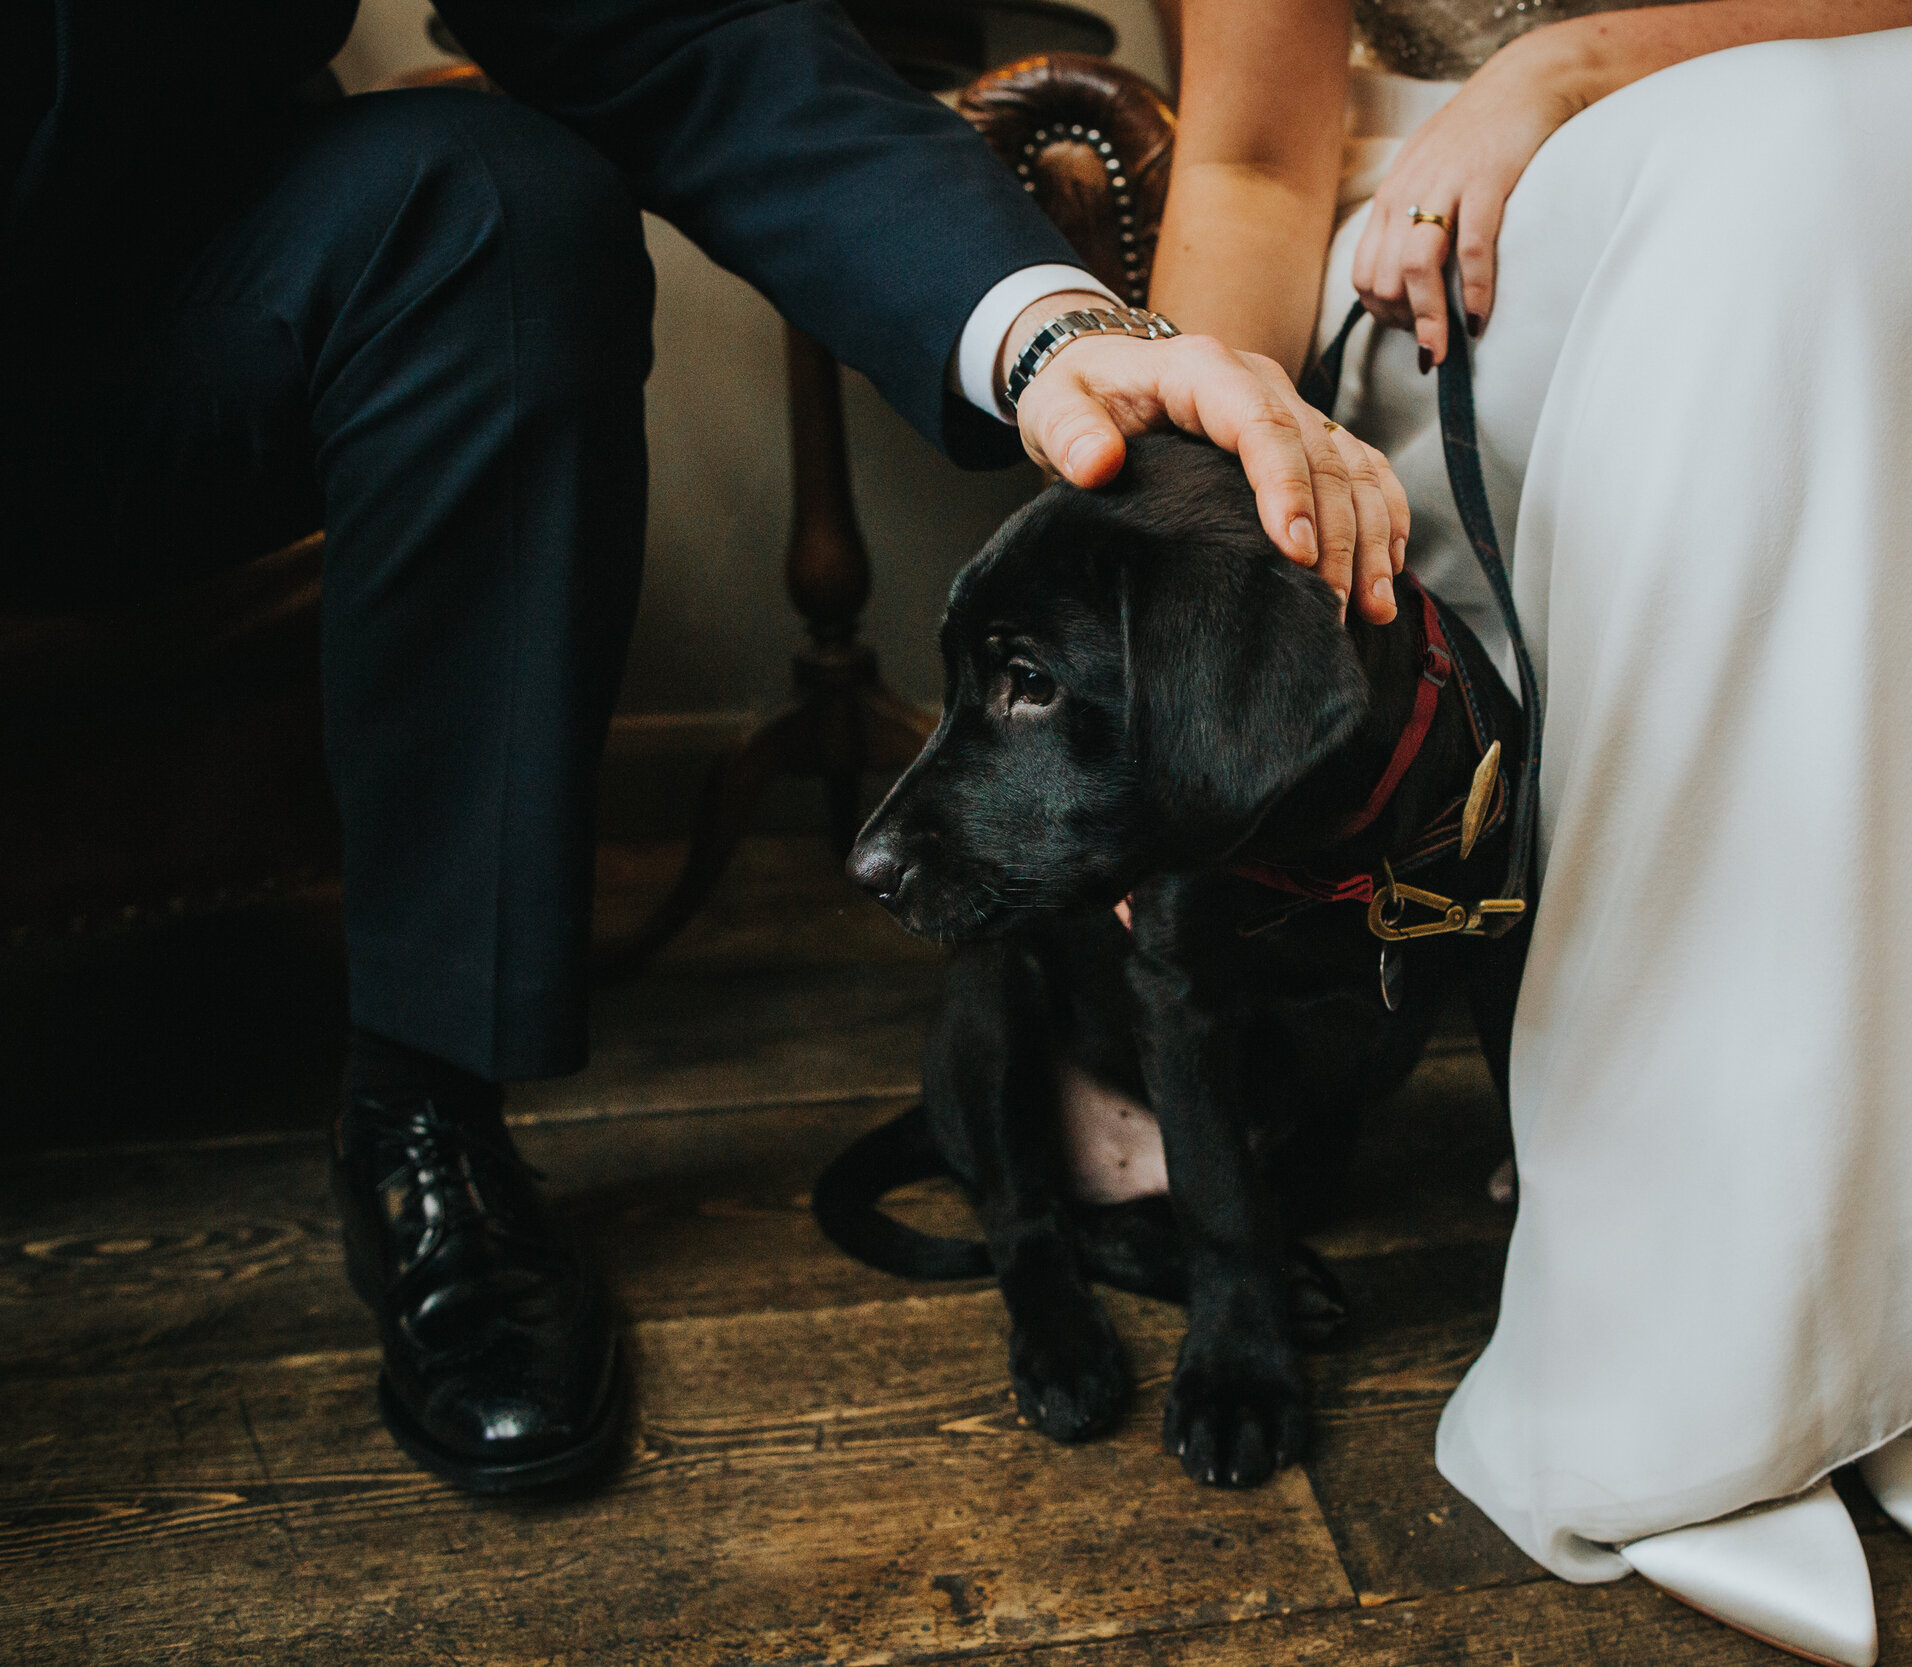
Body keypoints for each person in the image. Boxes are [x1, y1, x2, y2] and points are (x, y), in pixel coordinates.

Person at [0, 0, 1406, 1496]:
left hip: (155, 313)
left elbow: (681, 31)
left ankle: (426, 1109)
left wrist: (1057, 333)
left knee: (494, 200)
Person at [1151, 0, 1912, 1658]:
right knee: (1774, 164)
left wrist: (1577, 61)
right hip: (1470, 244)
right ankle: (1700, 1301)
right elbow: (1244, 161)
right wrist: (1193, 518)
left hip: (1804, 140)